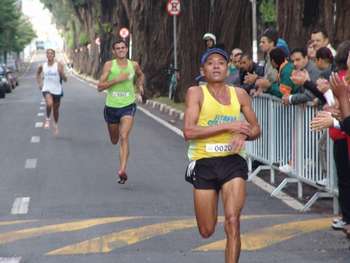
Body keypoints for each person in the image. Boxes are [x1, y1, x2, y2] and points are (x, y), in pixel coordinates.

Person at [183, 48, 260, 263]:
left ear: (228, 69)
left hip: (233, 162)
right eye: (210, 63)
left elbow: (255, 129)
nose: (216, 66)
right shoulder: (196, 93)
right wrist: (228, 126)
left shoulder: (240, 94)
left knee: (233, 221)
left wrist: (244, 135)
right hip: (204, 163)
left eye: (221, 62)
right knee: (206, 231)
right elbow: (188, 132)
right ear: (203, 70)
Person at [97, 39, 145, 184]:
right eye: (118, 48)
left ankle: (122, 170)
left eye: (123, 47)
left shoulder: (133, 65)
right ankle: (122, 166)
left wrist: (140, 86)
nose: (121, 50)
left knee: (124, 136)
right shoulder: (109, 65)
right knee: (114, 140)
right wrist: (117, 79)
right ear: (114, 51)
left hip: (128, 106)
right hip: (111, 107)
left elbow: (140, 75)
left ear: (126, 49)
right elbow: (99, 87)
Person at [36, 48, 67, 136]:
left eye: (51, 53)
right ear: (46, 55)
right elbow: (38, 73)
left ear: (54, 55)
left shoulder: (59, 65)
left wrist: (62, 73)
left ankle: (56, 125)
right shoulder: (42, 65)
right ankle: (47, 119)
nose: (49, 55)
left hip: (57, 90)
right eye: (48, 53)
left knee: (56, 110)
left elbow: (65, 80)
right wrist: (39, 83)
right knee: (49, 103)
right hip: (46, 89)